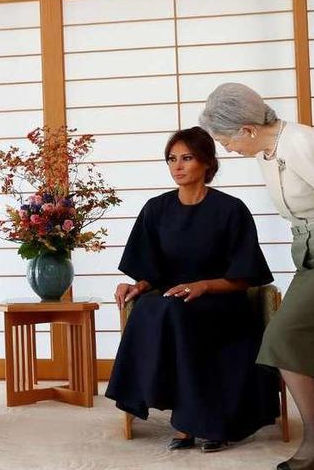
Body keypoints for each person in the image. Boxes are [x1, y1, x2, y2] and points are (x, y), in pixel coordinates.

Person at [200, 83, 314, 470]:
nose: (227, 150)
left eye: (226, 140)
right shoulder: (268, 151)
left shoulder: (303, 143)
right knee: (294, 349)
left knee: (282, 338)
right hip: (311, 254)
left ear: (248, 129)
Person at [106, 126, 279, 453]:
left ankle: (197, 424)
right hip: (176, 300)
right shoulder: (156, 209)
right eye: (172, 159)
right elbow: (152, 272)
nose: (177, 166)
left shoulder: (231, 209)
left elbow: (246, 277)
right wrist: (135, 285)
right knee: (150, 306)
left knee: (175, 312)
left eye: (187, 158)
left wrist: (203, 286)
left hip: (222, 301)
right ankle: (186, 420)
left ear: (207, 163)